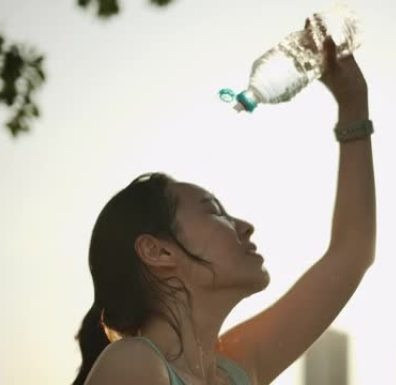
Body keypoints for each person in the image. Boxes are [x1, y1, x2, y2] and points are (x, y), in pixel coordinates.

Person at [73, 36, 377, 385]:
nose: (246, 226)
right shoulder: (132, 363)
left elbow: (351, 255)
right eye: (214, 210)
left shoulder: (234, 370)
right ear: (158, 251)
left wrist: (353, 104)